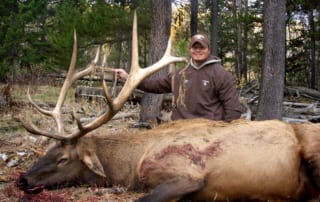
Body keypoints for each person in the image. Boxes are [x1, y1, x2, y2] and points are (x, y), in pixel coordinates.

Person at [115, 33, 242, 122]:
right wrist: (128, 77)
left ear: (208, 49)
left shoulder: (221, 74)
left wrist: (225, 133)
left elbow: (233, 109)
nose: (198, 50)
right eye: (194, 47)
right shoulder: (180, 74)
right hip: (179, 129)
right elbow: (155, 85)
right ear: (190, 50)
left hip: (208, 131)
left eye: (201, 47)